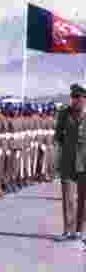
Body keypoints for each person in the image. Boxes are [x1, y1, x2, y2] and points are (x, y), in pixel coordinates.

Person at [54, 83, 86, 242]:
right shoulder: (64, 114)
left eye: (78, 98)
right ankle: (68, 230)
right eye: (73, 97)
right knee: (67, 197)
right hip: (68, 161)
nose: (74, 101)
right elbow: (58, 136)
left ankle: (80, 230)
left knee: (83, 198)